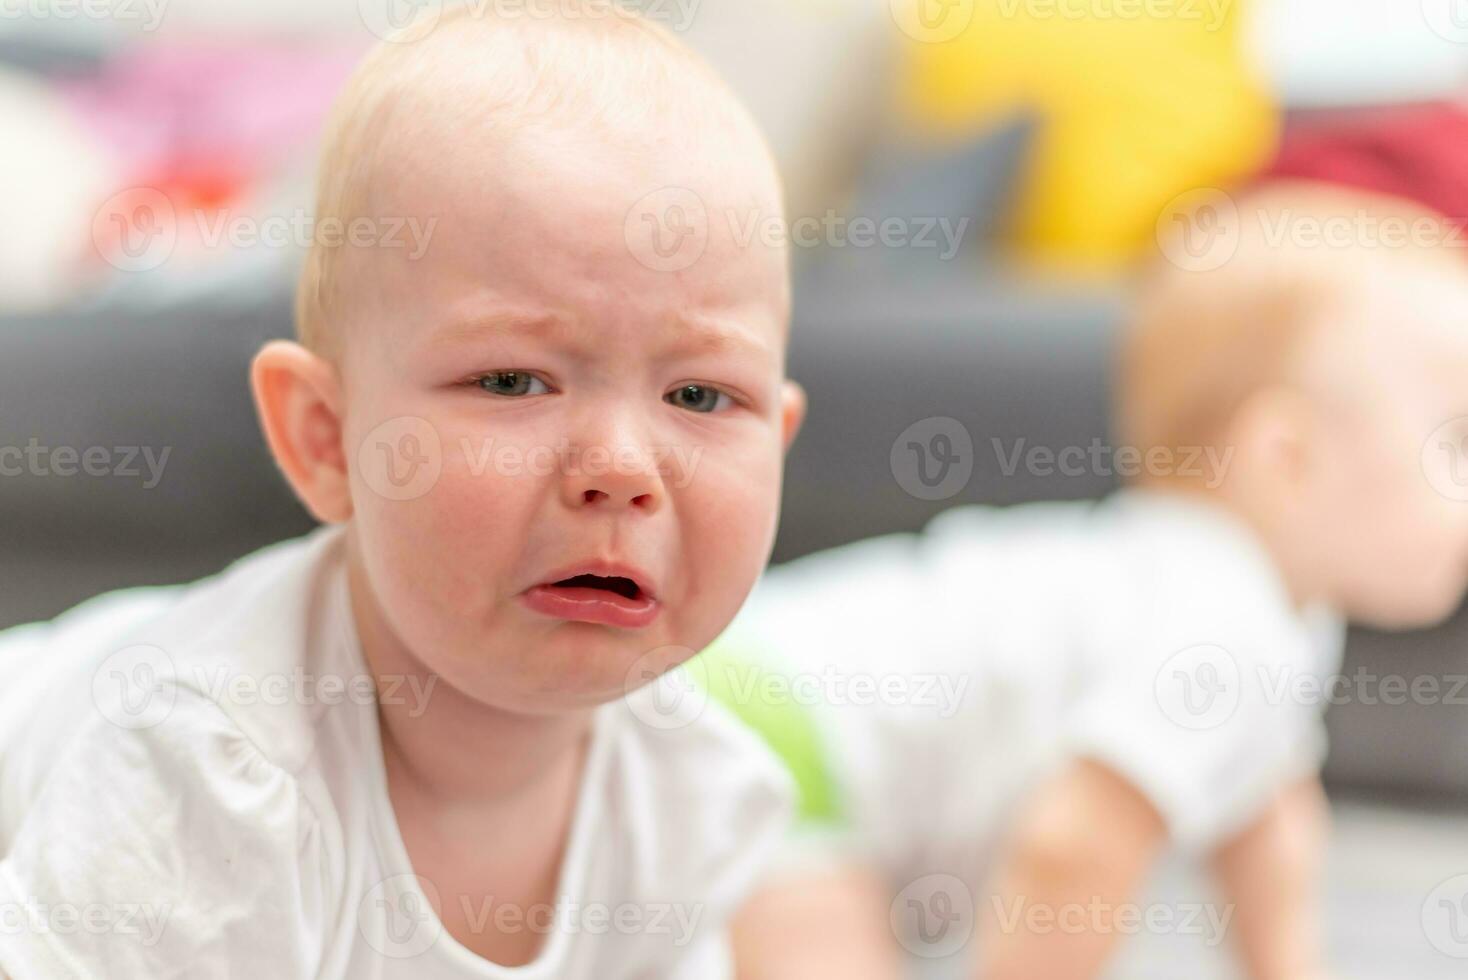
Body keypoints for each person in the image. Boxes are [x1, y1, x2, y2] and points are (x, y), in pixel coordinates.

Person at [0, 3, 806, 976]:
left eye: (701, 394)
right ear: (326, 439)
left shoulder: (695, 794)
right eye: (512, 380)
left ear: (781, 438)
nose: (622, 468)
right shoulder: (212, 770)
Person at [718, 182, 1468, 980]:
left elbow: (1271, 829)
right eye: (1455, 444)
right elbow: (1070, 853)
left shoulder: (1268, 610)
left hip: (768, 686)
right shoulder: (1217, 619)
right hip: (777, 727)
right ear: (1289, 459)